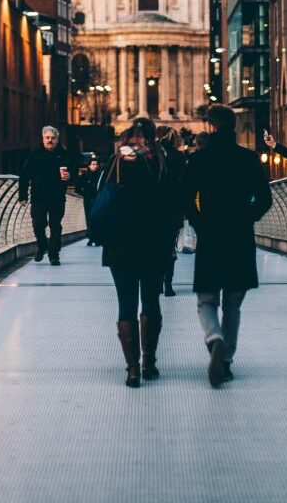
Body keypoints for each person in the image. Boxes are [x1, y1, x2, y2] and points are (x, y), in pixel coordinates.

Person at [183, 104, 272, 387]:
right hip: (239, 236)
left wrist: (199, 222)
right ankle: (227, 361)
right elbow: (265, 198)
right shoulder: (248, 159)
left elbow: (184, 197)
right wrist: (247, 216)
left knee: (206, 299)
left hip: (211, 237)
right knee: (233, 304)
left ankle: (214, 339)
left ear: (211, 127)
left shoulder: (199, 159)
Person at [102, 118, 180, 388]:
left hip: (120, 244)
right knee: (150, 301)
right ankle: (149, 362)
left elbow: (98, 197)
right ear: (151, 138)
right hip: (153, 244)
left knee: (125, 303)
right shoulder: (161, 163)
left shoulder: (115, 163)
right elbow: (174, 205)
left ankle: (132, 369)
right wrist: (169, 241)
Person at [19, 126, 74, 266]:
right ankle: (42, 245)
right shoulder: (35, 154)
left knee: (55, 226)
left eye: (53, 138)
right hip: (39, 198)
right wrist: (23, 196)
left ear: (57, 140)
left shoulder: (64, 154)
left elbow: (74, 172)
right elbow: (24, 175)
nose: (50, 140)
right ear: (43, 139)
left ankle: (53, 254)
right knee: (38, 224)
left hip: (57, 197)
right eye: (47, 138)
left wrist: (70, 176)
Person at [156, 126, 186, 296]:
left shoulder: (150, 155)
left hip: (153, 211)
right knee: (169, 247)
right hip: (173, 210)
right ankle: (168, 283)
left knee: (155, 247)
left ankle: (157, 281)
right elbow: (184, 183)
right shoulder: (178, 156)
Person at [75, 154, 103, 246]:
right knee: (89, 219)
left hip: (98, 200)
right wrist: (85, 195)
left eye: (96, 164)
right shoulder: (84, 176)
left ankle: (95, 238)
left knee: (98, 219)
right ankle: (92, 238)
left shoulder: (100, 176)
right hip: (88, 200)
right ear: (89, 165)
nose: (95, 166)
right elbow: (77, 188)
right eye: (93, 164)